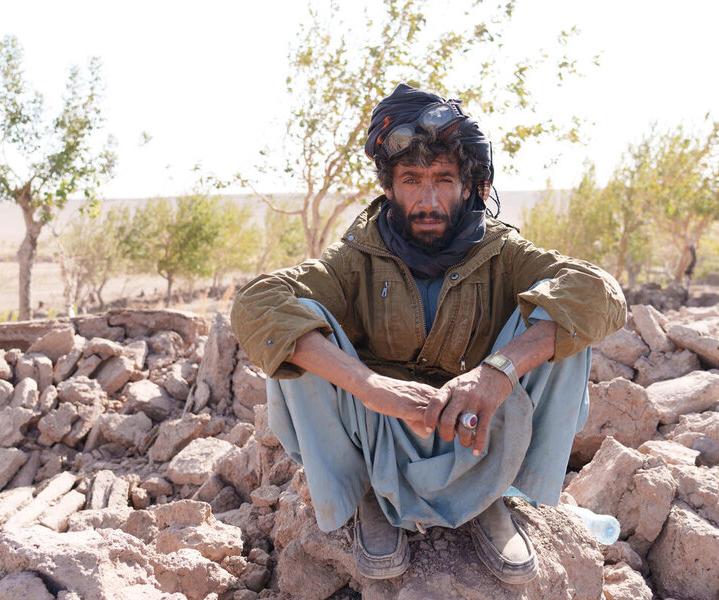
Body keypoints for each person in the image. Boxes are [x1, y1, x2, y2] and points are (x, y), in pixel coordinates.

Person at [230, 83, 626, 584]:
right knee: (295, 321)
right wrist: (374, 388)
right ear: (389, 187)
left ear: (469, 186)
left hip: (479, 426)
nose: (429, 198)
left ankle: (494, 496)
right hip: (383, 431)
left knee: (560, 316)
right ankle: (367, 499)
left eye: (443, 179)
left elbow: (600, 291)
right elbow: (255, 302)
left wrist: (497, 372)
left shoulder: (504, 252)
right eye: (412, 180)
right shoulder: (356, 258)